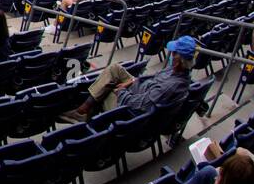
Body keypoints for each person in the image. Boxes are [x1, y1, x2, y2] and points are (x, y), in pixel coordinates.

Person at [63, 36, 197, 121]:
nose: (171, 54)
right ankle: (84, 110)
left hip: (130, 111)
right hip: (139, 89)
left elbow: (140, 105)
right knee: (114, 69)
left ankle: (82, 112)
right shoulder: (178, 71)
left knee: (105, 89)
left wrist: (121, 92)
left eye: (173, 53)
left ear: (178, 60)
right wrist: (131, 82)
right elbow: (151, 79)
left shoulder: (170, 86)